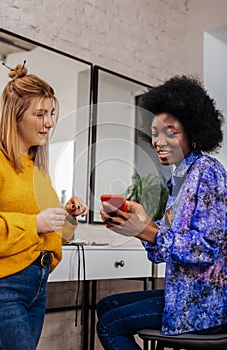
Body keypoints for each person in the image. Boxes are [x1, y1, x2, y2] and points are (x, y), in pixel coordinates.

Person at [97, 75, 227, 349]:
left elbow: (205, 250)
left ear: (192, 131)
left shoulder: (207, 171)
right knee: (108, 304)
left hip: (204, 304)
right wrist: (141, 224)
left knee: (109, 324)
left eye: (171, 132)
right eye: (155, 133)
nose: (159, 141)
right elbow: (160, 251)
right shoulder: (179, 181)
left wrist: (146, 230)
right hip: (185, 293)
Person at [0, 62, 87, 350]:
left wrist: (68, 218)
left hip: (38, 284)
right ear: (15, 117)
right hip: (3, 286)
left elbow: (48, 236)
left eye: (51, 114)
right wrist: (36, 223)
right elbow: (36, 225)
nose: (49, 122)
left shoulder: (38, 169)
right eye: (40, 114)